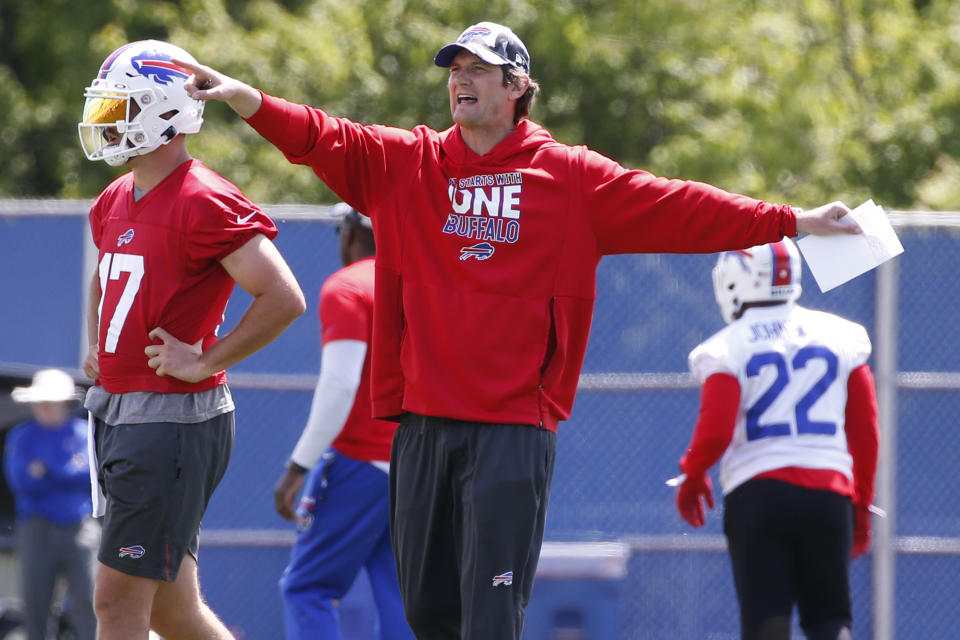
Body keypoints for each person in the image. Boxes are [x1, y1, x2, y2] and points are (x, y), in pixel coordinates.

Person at [174, 21, 859, 639]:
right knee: (425, 610)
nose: (461, 80)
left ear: (517, 86)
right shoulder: (405, 165)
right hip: (419, 425)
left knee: (492, 614)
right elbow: (321, 134)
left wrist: (792, 220)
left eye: (478, 69)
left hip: (511, 429)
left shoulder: (570, 178)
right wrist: (247, 99)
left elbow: (683, 206)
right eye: (454, 70)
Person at [77, 39, 306, 640]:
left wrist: (206, 357)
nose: (106, 123)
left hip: (170, 418)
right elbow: (105, 275)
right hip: (123, 411)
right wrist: (98, 341)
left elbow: (284, 297)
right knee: (171, 612)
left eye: (119, 108)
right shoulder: (114, 198)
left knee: (116, 603)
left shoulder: (204, 198)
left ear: (162, 110)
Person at [674, 237, 880, 640]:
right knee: (829, 619)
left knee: (766, 622)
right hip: (828, 491)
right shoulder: (841, 336)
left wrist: (693, 473)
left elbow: (715, 429)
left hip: (758, 493)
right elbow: (865, 429)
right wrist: (860, 499)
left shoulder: (725, 347)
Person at [272, 203, 413, 640]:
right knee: (398, 592)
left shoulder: (349, 287)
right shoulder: (423, 283)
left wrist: (297, 467)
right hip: (418, 462)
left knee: (307, 587)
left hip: (360, 462)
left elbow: (339, 386)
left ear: (350, 234)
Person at [5, 369, 98, 640]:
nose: (45, 408)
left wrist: (47, 470)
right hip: (36, 528)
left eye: (51, 401)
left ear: (64, 403)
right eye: (41, 402)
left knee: (87, 599)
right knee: (36, 604)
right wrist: (65, 471)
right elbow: (21, 481)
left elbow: (88, 478)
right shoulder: (21, 436)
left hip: (80, 529)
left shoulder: (82, 433)